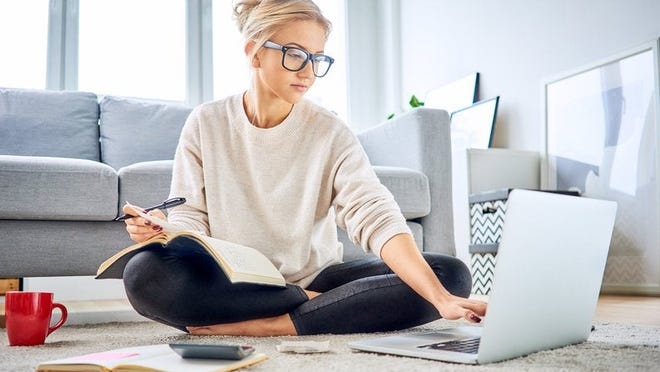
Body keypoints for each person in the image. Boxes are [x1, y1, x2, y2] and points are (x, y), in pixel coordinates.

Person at [121, 0, 487, 336]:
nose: (308, 72)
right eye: (295, 55)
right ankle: (323, 307)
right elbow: (190, 216)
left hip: (318, 276)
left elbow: (374, 213)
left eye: (318, 58)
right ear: (254, 53)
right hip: (233, 280)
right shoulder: (207, 123)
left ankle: (271, 324)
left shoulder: (330, 131)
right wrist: (165, 229)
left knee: (450, 276)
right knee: (144, 274)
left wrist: (440, 298)